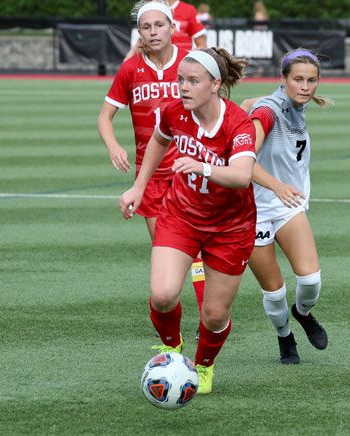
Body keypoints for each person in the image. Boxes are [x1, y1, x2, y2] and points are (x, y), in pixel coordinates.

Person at [119, 47, 257, 394]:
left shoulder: (237, 122)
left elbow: (242, 176)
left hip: (231, 227)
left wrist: (204, 167)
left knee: (214, 315)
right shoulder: (174, 112)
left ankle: (205, 366)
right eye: (181, 79)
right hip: (181, 214)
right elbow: (158, 141)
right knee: (163, 294)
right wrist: (138, 187)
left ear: (215, 84)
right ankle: (171, 347)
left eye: (193, 81)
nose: (182, 87)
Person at [98, 1, 206, 315]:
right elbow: (105, 117)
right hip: (150, 177)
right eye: (146, 27)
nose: (153, 32)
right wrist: (114, 146)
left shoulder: (189, 63)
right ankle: (172, 334)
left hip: (188, 172)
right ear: (140, 33)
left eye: (159, 25)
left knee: (196, 252)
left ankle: (204, 318)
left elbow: (213, 112)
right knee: (166, 254)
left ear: (173, 28)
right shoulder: (131, 68)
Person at [247, 48, 331, 364]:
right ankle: (285, 339)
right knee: (275, 292)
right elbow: (243, 162)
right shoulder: (269, 111)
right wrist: (277, 185)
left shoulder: (293, 106)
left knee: (310, 282)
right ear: (283, 80)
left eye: (311, 80)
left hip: (286, 207)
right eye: (297, 79)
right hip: (254, 210)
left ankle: (303, 313)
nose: (305, 86)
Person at [125, 0, 207, 61]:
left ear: (172, 27)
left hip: (182, 67)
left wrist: (187, 59)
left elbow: (202, 45)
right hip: (155, 65)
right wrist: (128, 61)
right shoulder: (150, 9)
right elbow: (140, 42)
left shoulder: (188, 10)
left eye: (159, 25)